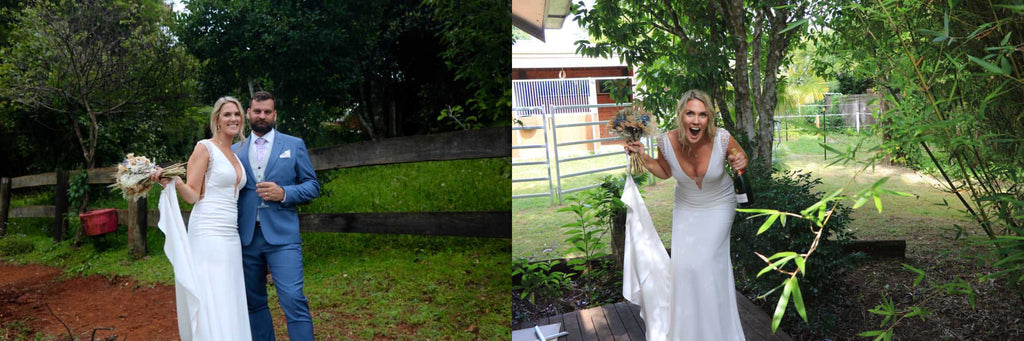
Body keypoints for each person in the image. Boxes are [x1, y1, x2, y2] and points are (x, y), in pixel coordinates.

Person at [622, 89, 749, 340]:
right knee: (684, 268)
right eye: (690, 113)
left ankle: (718, 331)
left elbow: (741, 159)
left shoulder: (722, 138)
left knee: (704, 264)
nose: (695, 120)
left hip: (719, 205)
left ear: (709, 118)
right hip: (686, 207)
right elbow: (664, 171)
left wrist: (741, 163)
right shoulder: (666, 141)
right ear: (681, 115)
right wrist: (642, 156)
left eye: (702, 115)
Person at [152, 96, 253, 341]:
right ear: (217, 119)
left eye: (237, 114)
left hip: (231, 235)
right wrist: (175, 181)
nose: (233, 119)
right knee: (212, 294)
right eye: (227, 114)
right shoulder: (204, 147)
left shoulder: (235, 153)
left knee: (229, 295)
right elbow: (192, 195)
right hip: (208, 232)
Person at [233, 90, 320, 341]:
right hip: (246, 238)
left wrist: (284, 192)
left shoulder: (293, 145)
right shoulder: (234, 149)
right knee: (253, 302)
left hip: (283, 236)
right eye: (257, 111)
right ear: (248, 114)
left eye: (267, 112)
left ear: (275, 115)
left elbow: (312, 185)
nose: (262, 116)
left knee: (293, 299)